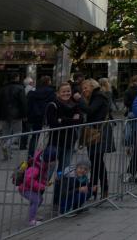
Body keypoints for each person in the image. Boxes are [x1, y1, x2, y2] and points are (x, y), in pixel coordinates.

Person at [45, 82, 82, 211]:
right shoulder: (53, 105)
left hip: (68, 144)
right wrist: (71, 120)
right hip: (54, 144)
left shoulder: (75, 105)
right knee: (47, 173)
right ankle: (36, 198)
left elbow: (80, 120)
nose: (66, 93)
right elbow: (54, 123)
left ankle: (57, 201)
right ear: (58, 93)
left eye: (68, 91)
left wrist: (63, 120)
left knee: (62, 173)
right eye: (63, 91)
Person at [76, 79, 112, 199]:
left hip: (99, 133)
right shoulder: (95, 96)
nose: (84, 90)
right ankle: (94, 188)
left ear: (92, 86)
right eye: (82, 88)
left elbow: (90, 110)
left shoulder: (99, 96)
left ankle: (103, 188)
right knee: (95, 161)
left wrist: (79, 100)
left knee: (98, 162)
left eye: (86, 88)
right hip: (94, 133)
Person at [17, 147, 57, 226]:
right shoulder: (36, 167)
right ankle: (31, 220)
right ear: (48, 160)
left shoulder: (42, 165)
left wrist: (45, 182)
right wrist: (40, 186)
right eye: (53, 161)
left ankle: (33, 214)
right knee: (36, 200)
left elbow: (40, 178)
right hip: (25, 189)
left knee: (40, 199)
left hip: (29, 188)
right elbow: (28, 180)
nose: (54, 162)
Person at [0, 74, 27, 160]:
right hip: (16, 114)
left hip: (3, 114)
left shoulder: (2, 89)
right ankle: (6, 146)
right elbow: (23, 102)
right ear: (16, 78)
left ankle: (8, 154)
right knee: (18, 132)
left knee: (6, 134)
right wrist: (25, 115)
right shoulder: (20, 88)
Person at [26, 76, 55, 158]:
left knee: (35, 136)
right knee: (47, 136)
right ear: (48, 82)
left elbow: (29, 105)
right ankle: (43, 155)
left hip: (36, 116)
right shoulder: (51, 92)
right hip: (46, 117)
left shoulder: (33, 92)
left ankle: (31, 155)